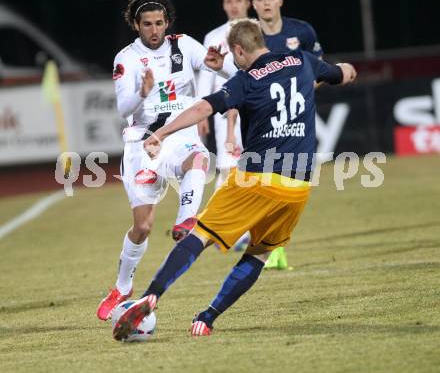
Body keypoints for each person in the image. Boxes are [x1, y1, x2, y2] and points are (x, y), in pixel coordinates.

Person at [112, 18, 356, 340]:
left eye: (234, 55)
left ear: (239, 50)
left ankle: (151, 296)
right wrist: (340, 70)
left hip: (256, 180)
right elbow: (345, 73)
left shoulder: (247, 79)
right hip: (298, 187)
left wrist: (162, 131)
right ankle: (208, 317)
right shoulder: (302, 61)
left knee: (199, 235)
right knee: (260, 254)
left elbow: (203, 108)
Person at [96, 0, 232, 321]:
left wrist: (222, 68)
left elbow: (226, 70)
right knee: (142, 226)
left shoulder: (185, 45)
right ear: (136, 25)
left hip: (179, 136)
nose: (154, 30)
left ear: (167, 23)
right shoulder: (126, 58)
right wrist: (141, 93)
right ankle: (122, 287)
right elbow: (122, 109)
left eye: (159, 23)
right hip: (142, 143)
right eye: (147, 24)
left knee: (199, 160)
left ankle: (187, 219)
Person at [240, 0, 324, 269]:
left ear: (280, 1)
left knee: (292, 186)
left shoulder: (301, 31)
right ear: (253, 4)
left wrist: (302, 90)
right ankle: (266, 246)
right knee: (261, 186)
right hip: (260, 120)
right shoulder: (248, 35)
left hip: (294, 120)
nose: (265, 3)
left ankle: (273, 243)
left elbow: (318, 69)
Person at [197, 0, 251, 251]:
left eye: (239, 0)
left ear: (247, 3)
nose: (234, 5)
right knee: (228, 168)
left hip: (255, 109)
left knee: (254, 169)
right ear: (224, 5)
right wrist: (202, 115)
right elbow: (207, 77)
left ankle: (234, 227)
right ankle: (221, 227)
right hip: (224, 111)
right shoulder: (213, 37)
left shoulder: (258, 31)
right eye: (229, 1)